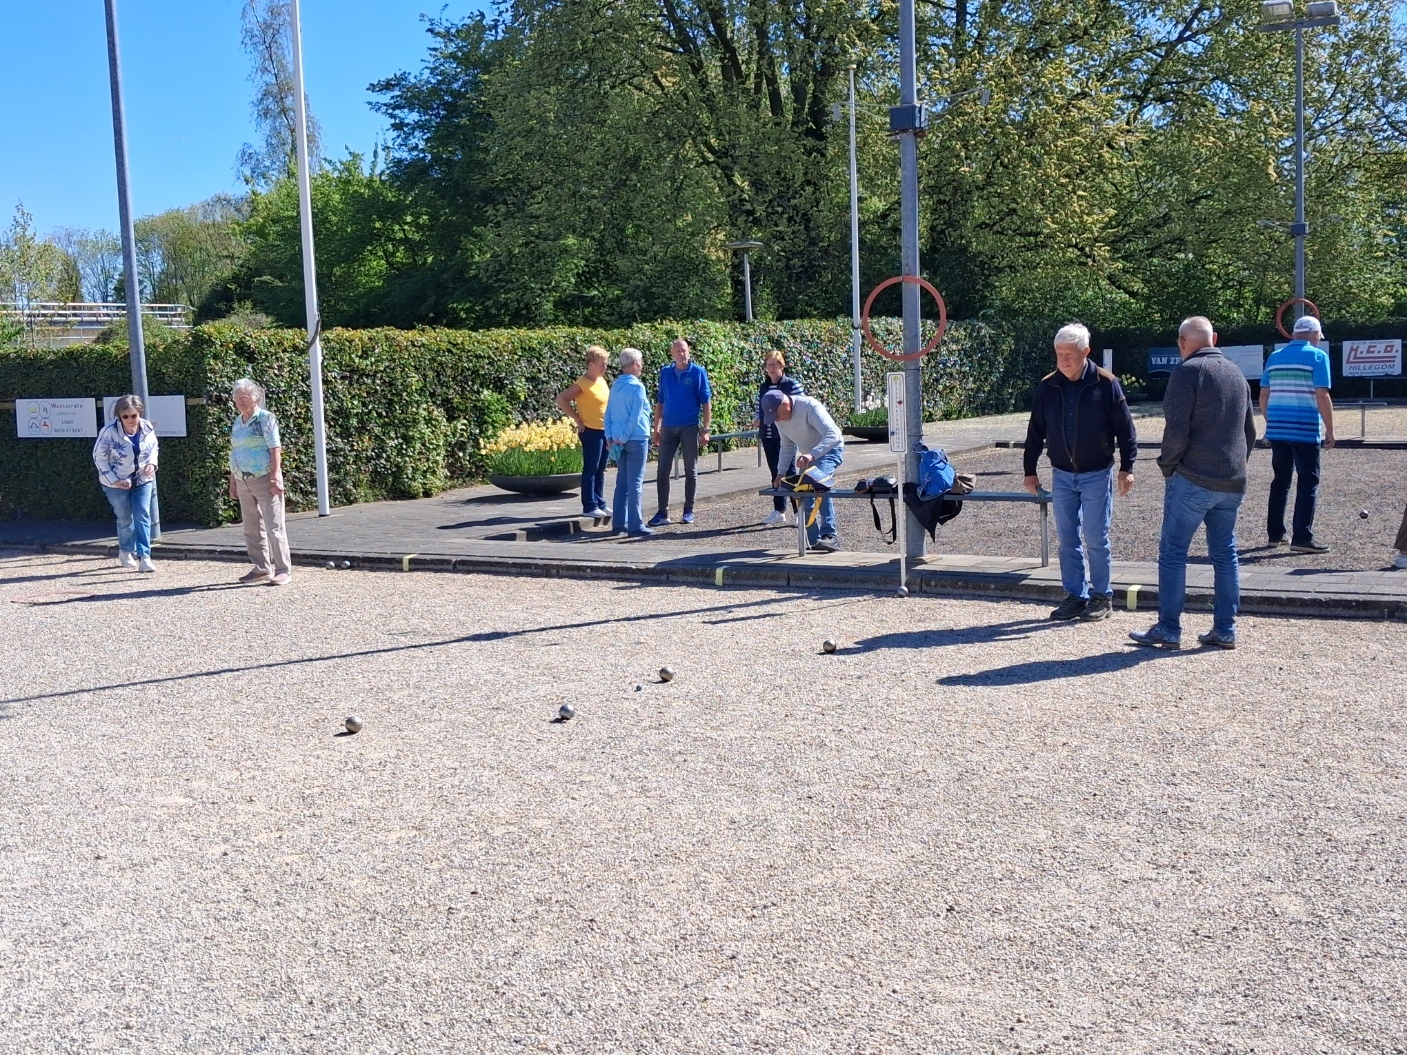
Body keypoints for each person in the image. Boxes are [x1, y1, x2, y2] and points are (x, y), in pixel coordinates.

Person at [1131, 316, 1258, 650]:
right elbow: (1249, 431)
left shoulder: (1186, 372)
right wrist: (1236, 467)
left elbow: (1176, 430)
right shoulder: (1236, 374)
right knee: (1225, 554)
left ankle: (1169, 628)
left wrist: (1167, 465)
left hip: (1193, 477)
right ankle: (1225, 629)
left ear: (1181, 343)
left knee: (1174, 553)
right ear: (1214, 339)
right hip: (1232, 480)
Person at [1023, 323, 1137, 622]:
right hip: (1062, 474)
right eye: (1059, 353)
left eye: (1069, 354)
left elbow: (1126, 429)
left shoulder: (1106, 383)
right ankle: (1076, 595)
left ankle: (1102, 596)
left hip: (1097, 472)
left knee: (1096, 537)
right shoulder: (1048, 386)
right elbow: (1035, 430)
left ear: (1086, 352)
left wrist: (1127, 468)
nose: (1063, 360)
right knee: (1067, 538)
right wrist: (1029, 470)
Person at [1260, 314, 1334, 553]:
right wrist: (1330, 429)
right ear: (1315, 334)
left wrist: (1271, 422)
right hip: (1305, 428)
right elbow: (1322, 394)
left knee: (1280, 481)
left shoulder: (1275, 357)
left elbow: (1264, 394)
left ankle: (1275, 535)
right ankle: (1302, 537)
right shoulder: (1318, 356)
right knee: (1308, 481)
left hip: (1278, 429)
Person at [228, 377, 293, 585]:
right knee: (251, 527)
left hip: (264, 477)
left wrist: (275, 477)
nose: (240, 401)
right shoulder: (238, 421)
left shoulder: (266, 418)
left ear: (255, 398)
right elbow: (235, 451)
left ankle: (283, 569)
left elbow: (275, 448)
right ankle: (261, 568)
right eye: (237, 397)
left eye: (244, 397)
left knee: (274, 525)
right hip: (242, 479)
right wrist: (232, 480)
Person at [762, 389, 844, 553]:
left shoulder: (810, 406)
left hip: (830, 451)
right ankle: (814, 541)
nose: (776, 419)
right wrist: (780, 473)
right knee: (804, 493)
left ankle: (830, 536)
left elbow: (833, 435)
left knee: (819, 486)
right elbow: (787, 447)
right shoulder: (779, 419)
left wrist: (812, 454)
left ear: (785, 404)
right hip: (809, 456)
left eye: (776, 415)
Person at [92, 394, 159, 573]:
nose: (130, 420)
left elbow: (154, 448)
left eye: (134, 415)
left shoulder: (147, 427)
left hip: (143, 479)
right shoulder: (109, 432)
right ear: (119, 417)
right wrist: (115, 480)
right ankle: (126, 550)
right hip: (116, 482)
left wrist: (152, 464)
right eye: (125, 416)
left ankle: (144, 556)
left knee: (142, 514)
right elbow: (99, 458)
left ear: (140, 413)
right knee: (124, 518)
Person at [650, 338, 712, 526]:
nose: (681, 354)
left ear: (688, 351)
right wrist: (656, 428)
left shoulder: (698, 372)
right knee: (662, 470)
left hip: (690, 426)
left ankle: (688, 510)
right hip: (668, 427)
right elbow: (660, 401)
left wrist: (706, 429)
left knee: (690, 470)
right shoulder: (665, 372)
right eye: (677, 351)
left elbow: (706, 402)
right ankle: (662, 512)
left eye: (683, 350)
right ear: (672, 353)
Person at [555, 344, 611, 518]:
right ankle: (589, 506)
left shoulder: (601, 380)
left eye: (606, 363)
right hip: (591, 431)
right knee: (591, 468)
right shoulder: (583, 383)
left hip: (604, 430)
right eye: (602, 364)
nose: (605, 367)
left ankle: (599, 502)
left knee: (601, 469)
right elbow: (561, 399)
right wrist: (577, 419)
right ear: (591, 364)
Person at [604, 347, 654, 537]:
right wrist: (624, 437)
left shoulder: (615, 386)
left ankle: (618, 524)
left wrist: (610, 437)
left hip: (617, 440)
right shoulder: (637, 387)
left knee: (622, 482)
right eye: (640, 362)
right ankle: (635, 524)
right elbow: (636, 416)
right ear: (634, 364)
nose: (641, 366)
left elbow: (608, 414)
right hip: (636, 437)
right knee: (635, 483)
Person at [753, 351, 804, 526]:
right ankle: (779, 510)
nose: (772, 368)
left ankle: (798, 511)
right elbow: (759, 406)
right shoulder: (764, 387)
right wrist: (757, 418)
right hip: (767, 434)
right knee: (775, 472)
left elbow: (800, 405)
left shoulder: (791, 385)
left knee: (790, 473)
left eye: (775, 364)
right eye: (769, 365)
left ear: (782, 366)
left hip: (787, 434)